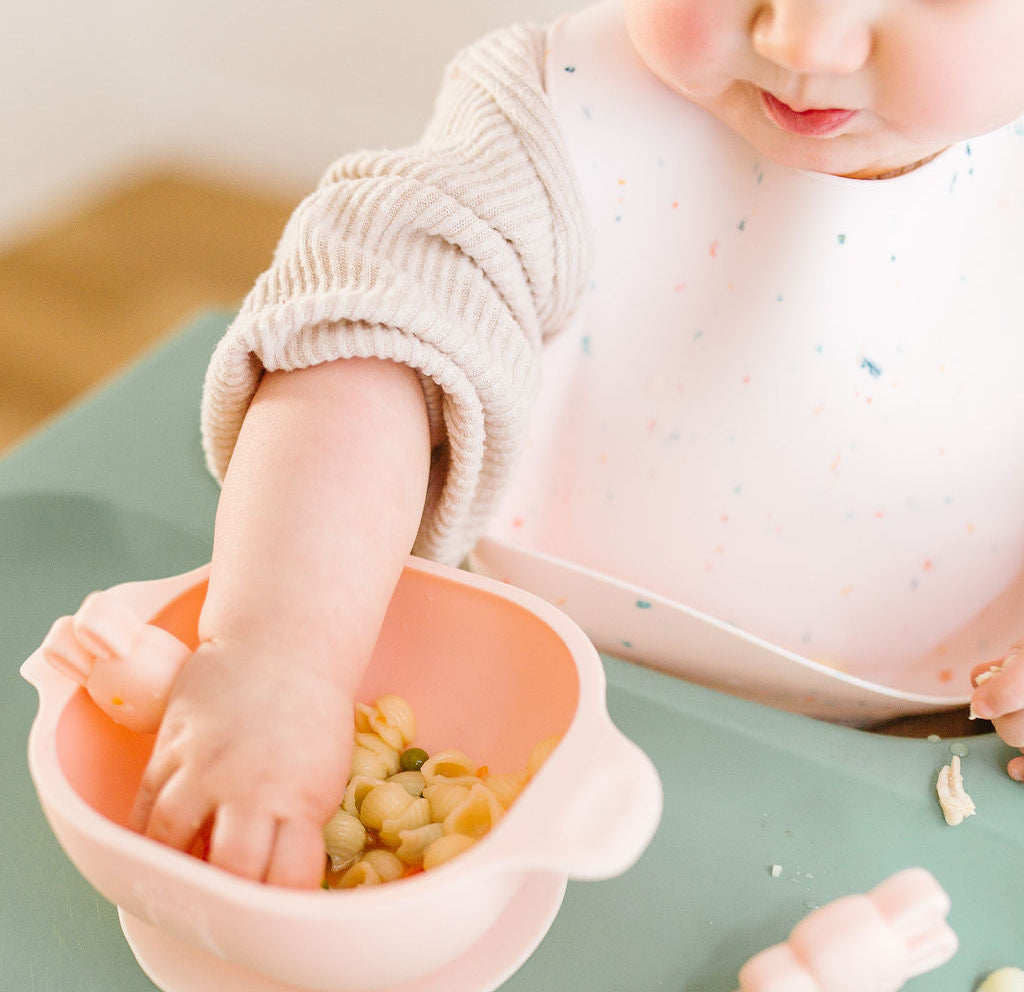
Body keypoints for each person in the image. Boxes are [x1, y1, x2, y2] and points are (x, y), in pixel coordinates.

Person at [130, 0, 1024, 888]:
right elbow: (365, 339)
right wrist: (278, 657)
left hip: (927, 756)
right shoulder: (553, 121)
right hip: (522, 695)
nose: (802, 40)